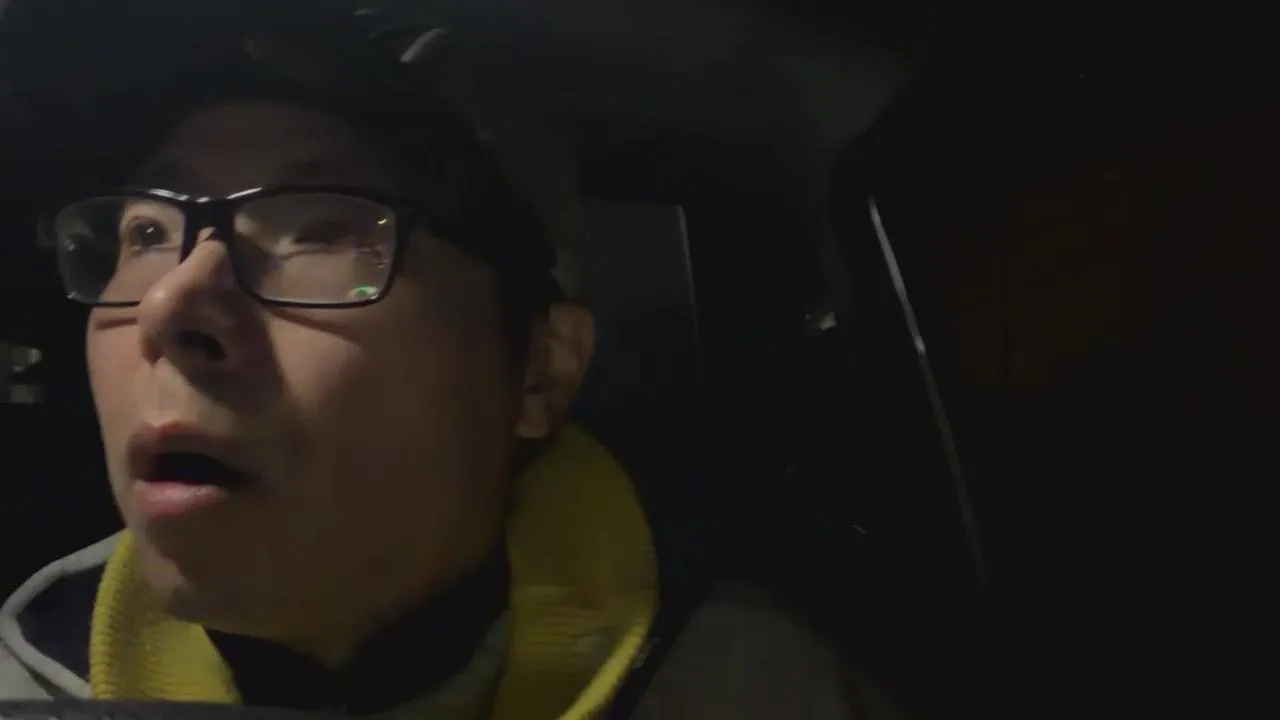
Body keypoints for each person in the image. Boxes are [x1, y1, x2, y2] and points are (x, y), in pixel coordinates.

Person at [0, 2, 895, 718]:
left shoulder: (760, 689)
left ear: (540, 371)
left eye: (322, 230)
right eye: (146, 233)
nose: (169, 305)